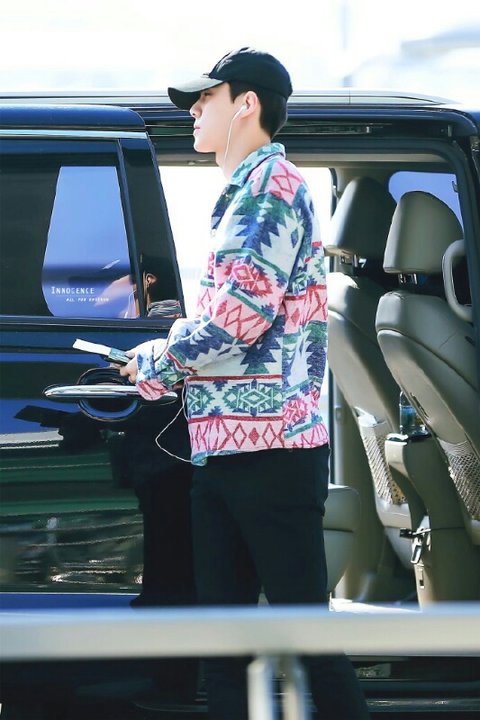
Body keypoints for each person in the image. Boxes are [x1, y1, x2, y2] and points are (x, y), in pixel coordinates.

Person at [120, 47, 370, 720]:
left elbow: (236, 318)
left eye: (206, 98)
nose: (195, 111)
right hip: (234, 450)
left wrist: (157, 362)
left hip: (269, 456)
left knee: (303, 642)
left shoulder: (268, 191)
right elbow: (233, 315)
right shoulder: (250, 191)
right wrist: (169, 345)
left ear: (246, 105)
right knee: (227, 645)